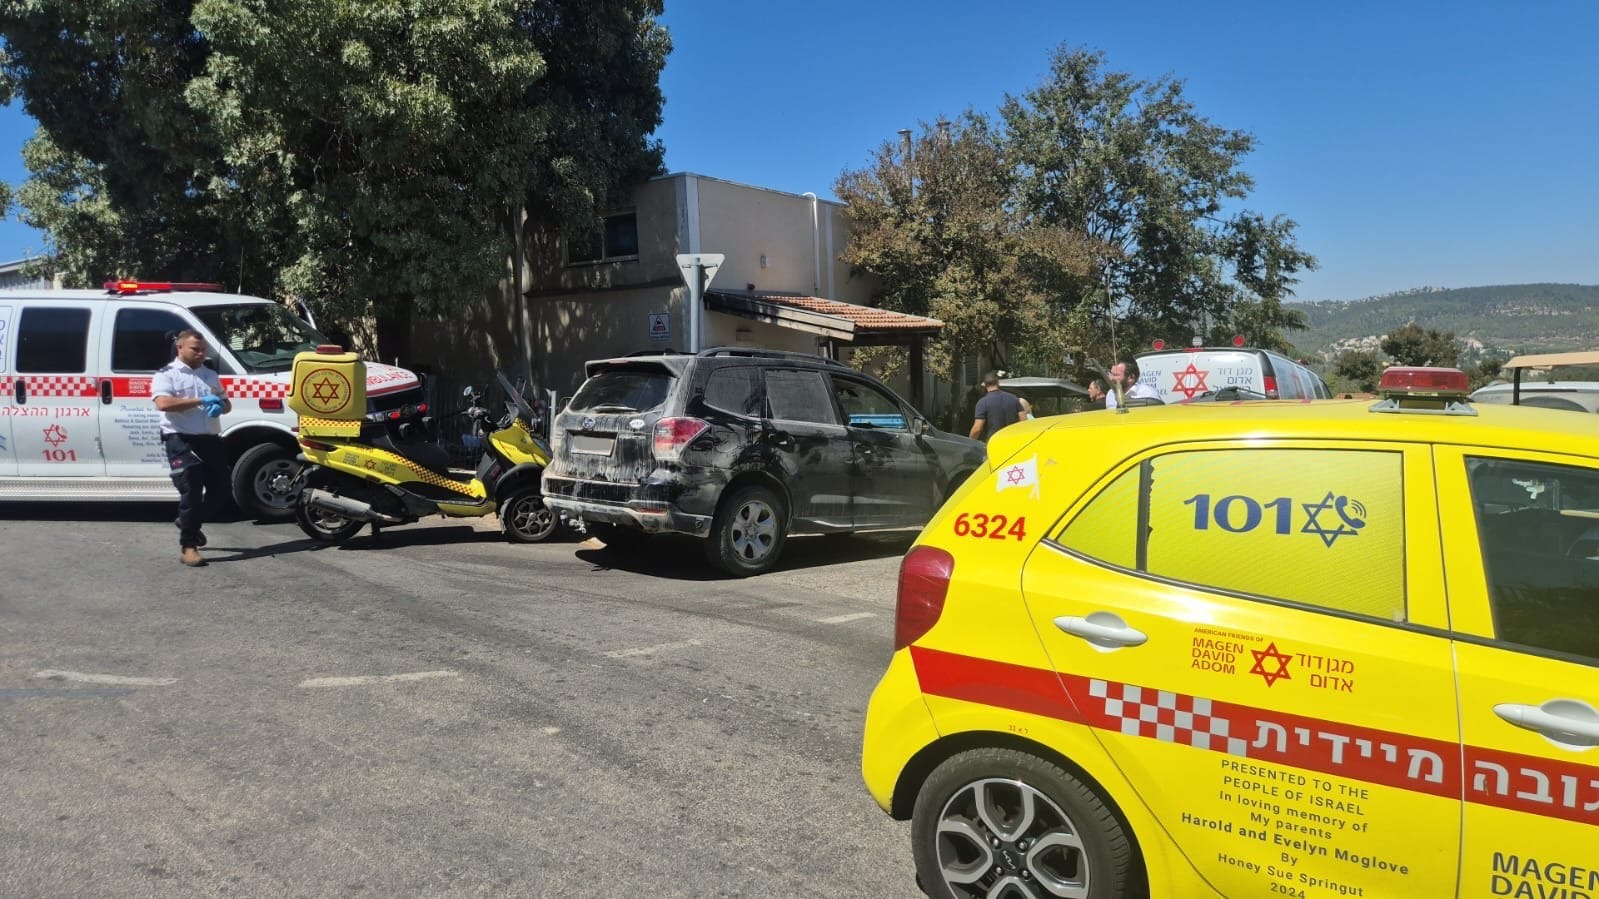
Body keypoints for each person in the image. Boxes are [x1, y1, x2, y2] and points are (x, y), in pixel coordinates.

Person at [153, 330, 232, 566]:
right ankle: (189, 547)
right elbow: (163, 403)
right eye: (195, 349)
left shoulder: (210, 375)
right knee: (192, 490)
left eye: (203, 350)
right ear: (180, 348)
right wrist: (200, 400)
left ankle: (189, 521)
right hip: (181, 439)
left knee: (222, 490)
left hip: (209, 439)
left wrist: (221, 406)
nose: (200, 354)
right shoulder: (167, 374)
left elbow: (226, 403)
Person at [969, 372, 1026, 442]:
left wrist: (970, 442)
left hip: (994, 442)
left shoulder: (983, 402)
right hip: (1013, 441)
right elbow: (1024, 420)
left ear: (984, 385)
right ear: (998, 383)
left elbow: (977, 428)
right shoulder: (1013, 398)